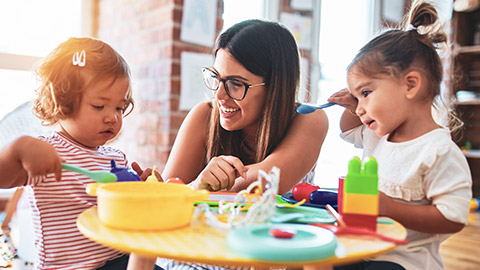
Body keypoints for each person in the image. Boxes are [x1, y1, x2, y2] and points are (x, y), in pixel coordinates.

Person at [328, 1, 472, 269]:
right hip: (364, 251)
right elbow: (347, 130)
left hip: (405, 260)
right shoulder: (377, 134)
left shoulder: (438, 151)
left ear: (410, 85)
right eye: (357, 98)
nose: (359, 108)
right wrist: (352, 104)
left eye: (366, 93)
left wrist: (390, 208)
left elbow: (453, 217)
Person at [0, 37, 161, 270]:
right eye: (99, 106)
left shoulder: (116, 159)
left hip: (119, 260)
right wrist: (18, 149)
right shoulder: (46, 152)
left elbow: (124, 215)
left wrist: (142, 192)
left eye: (119, 107)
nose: (112, 117)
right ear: (62, 100)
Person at [161, 19, 328, 195]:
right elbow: (165, 197)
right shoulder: (205, 115)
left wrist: (201, 188)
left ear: (274, 88)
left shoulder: (309, 118)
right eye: (216, 78)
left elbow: (271, 178)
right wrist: (194, 186)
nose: (219, 95)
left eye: (235, 83)